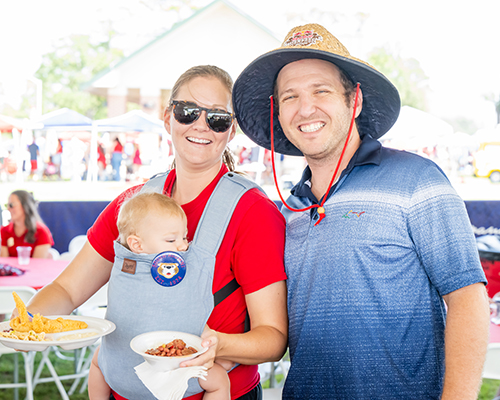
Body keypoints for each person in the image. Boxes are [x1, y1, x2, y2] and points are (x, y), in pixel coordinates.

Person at [233, 23, 490, 399]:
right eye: (290, 96)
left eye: (321, 90)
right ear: (278, 111)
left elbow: (467, 296)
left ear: (354, 101)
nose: (306, 108)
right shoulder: (288, 209)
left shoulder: (418, 179)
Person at [24, 65, 287, 400]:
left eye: (218, 117)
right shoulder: (132, 205)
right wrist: (28, 325)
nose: (201, 125)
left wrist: (218, 344)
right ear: (168, 118)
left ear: (231, 130)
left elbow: (273, 338)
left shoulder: (253, 213)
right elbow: (67, 288)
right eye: (188, 111)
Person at [89, 191, 230, 400]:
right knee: (220, 381)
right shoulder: (172, 268)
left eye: (185, 237)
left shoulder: (124, 266)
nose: (183, 246)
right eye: (171, 240)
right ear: (137, 244)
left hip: (119, 371)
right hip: (175, 370)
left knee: (97, 361)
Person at [1, 190, 54, 259]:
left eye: (11, 205)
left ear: (25, 206)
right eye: (7, 205)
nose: (8, 208)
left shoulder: (41, 231)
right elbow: (4, 261)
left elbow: (38, 264)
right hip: (11, 269)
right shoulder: (5, 230)